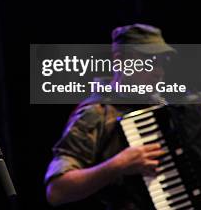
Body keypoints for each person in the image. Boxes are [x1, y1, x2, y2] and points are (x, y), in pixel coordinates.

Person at [45, 24, 175, 209]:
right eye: (149, 61)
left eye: (162, 61)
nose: (158, 72)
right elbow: (57, 190)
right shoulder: (96, 113)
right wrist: (118, 164)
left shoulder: (165, 108)